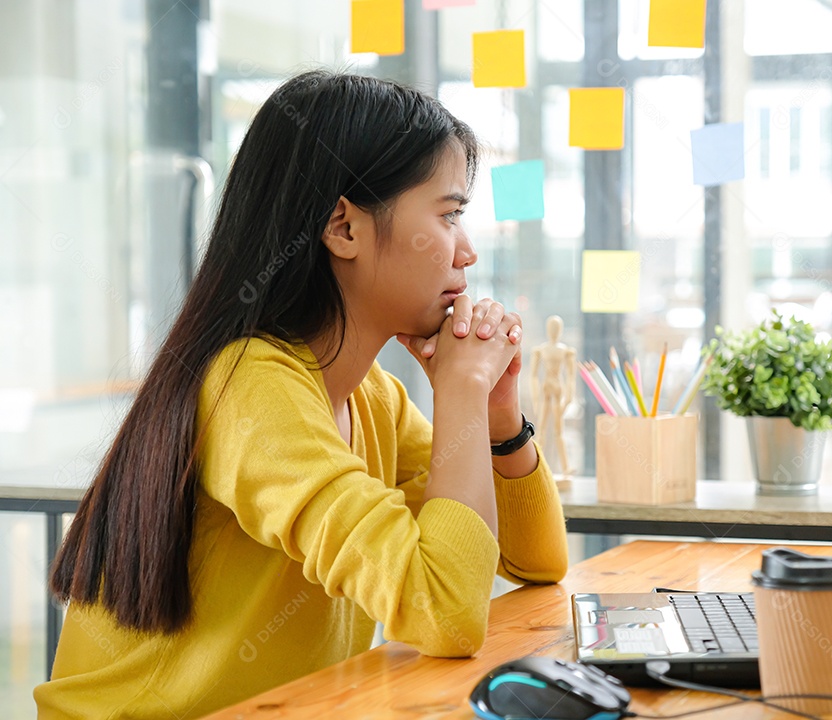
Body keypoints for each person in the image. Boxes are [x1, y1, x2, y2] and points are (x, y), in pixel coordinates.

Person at [35, 71, 568, 719]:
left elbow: (537, 562)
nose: (468, 252)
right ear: (343, 227)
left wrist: (497, 419)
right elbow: (448, 610)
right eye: (449, 215)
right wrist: (460, 385)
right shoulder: (251, 388)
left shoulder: (370, 395)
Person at [530, 315, 577, 477]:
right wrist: (535, 398)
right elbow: (533, 375)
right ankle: (535, 466)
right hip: (546, 388)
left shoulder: (565, 351)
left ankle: (565, 467)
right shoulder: (541, 350)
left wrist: (569, 396)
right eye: (552, 328)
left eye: (556, 328)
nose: (554, 331)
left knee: (559, 430)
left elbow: (571, 375)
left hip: (558, 388)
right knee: (541, 429)